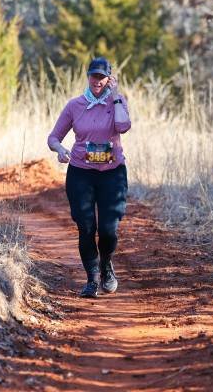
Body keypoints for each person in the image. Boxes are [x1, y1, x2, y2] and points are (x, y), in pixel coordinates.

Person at [47, 57, 131, 298]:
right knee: (86, 227)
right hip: (81, 173)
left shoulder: (117, 102)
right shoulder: (75, 105)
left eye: (102, 77)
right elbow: (53, 137)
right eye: (94, 76)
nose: (97, 81)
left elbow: (123, 127)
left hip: (112, 174)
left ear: (109, 79)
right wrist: (60, 150)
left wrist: (115, 95)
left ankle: (106, 266)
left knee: (108, 230)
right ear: (88, 76)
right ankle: (92, 280)